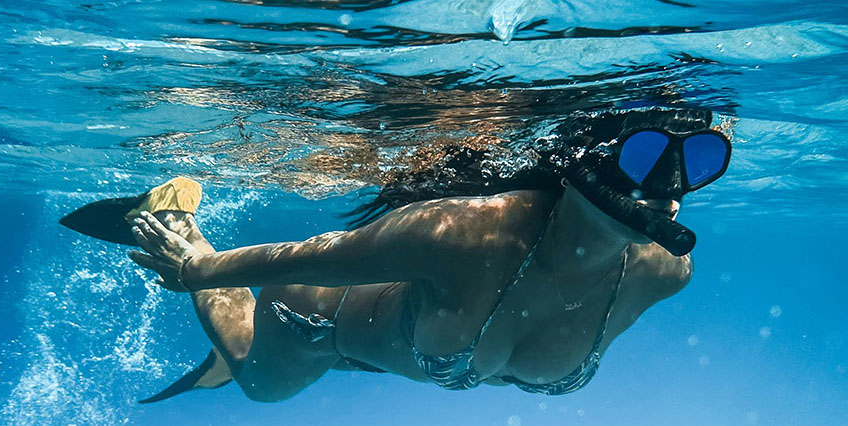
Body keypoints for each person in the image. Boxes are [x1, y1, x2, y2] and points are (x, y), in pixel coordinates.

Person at [62, 108, 732, 402]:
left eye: (700, 162)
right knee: (260, 386)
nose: (669, 191)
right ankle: (178, 215)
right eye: (645, 156)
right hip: (317, 318)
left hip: (394, 348)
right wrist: (197, 269)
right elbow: (314, 258)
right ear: (585, 162)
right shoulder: (471, 234)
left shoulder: (663, 272)